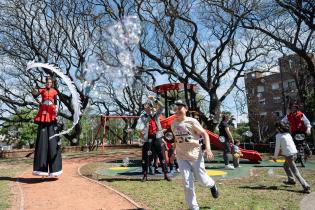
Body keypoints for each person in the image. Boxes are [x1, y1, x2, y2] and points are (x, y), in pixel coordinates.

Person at [171, 100, 219, 210]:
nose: (177, 110)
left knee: (202, 180)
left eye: (180, 107)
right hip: (181, 156)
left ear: (186, 109)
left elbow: (204, 134)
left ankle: (212, 184)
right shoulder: (173, 124)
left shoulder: (192, 121)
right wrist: (174, 153)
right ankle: (193, 207)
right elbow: (176, 139)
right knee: (187, 183)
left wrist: (208, 148)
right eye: (175, 108)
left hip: (195, 155)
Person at [31, 77, 62, 178]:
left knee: (53, 141)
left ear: (52, 83)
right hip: (44, 112)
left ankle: (54, 171)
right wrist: (34, 91)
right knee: (42, 141)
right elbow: (35, 94)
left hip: (51, 112)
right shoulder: (42, 90)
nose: (48, 84)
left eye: (50, 82)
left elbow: (56, 103)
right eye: (47, 82)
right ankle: (41, 171)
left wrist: (56, 109)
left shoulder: (54, 91)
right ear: (45, 83)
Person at [136, 96, 171, 182]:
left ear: (151, 107)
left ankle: (166, 174)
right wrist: (140, 132)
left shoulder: (156, 114)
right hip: (147, 139)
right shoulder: (142, 116)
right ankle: (144, 175)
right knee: (145, 157)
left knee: (162, 156)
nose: (147, 108)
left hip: (157, 137)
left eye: (149, 106)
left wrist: (154, 99)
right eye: (145, 106)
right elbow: (139, 126)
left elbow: (162, 106)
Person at [272, 121, 311, 193]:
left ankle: (306, 186)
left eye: (276, 128)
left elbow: (277, 148)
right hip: (294, 153)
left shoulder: (278, 136)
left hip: (289, 156)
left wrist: (275, 157)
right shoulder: (288, 134)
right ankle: (291, 180)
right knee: (286, 166)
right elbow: (289, 145)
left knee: (295, 172)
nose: (275, 129)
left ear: (279, 128)